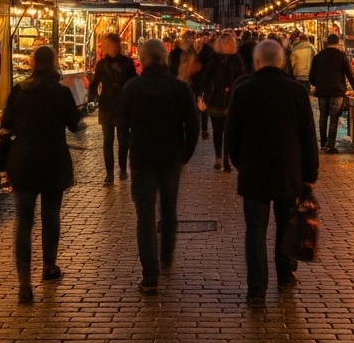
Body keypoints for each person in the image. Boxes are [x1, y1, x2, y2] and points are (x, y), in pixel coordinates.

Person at [225, 40, 320, 305]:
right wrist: (310, 172)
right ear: (282, 61)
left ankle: (257, 288)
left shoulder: (243, 91)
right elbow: (308, 137)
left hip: (254, 172)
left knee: (255, 230)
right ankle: (285, 274)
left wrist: (241, 163)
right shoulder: (296, 92)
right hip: (289, 172)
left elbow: (231, 136)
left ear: (257, 62)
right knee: (286, 226)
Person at [2, 46, 85, 304]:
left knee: (24, 221)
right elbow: (75, 125)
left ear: (32, 63)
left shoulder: (18, 91)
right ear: (54, 63)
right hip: (53, 160)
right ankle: (49, 265)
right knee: (51, 215)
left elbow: (6, 124)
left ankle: (24, 281)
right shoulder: (62, 93)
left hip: (23, 161)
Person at [118, 38, 199, 293]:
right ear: (164, 58)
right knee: (169, 208)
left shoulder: (133, 87)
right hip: (170, 156)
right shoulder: (179, 87)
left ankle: (150, 275)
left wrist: (129, 146)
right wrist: (185, 154)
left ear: (143, 58)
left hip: (142, 157)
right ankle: (166, 256)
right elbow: (193, 124)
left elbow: (121, 122)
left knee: (145, 215)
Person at [89, 33, 138, 186]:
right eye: (104, 45)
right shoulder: (101, 64)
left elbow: (133, 83)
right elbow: (96, 82)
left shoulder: (127, 63)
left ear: (116, 45)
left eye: (107, 45)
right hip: (106, 105)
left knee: (123, 139)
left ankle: (123, 168)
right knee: (107, 140)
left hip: (123, 104)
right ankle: (109, 173)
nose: (105, 48)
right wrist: (92, 97)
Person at [202, 33, 247, 172]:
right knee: (219, 131)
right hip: (219, 100)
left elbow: (241, 79)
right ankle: (220, 158)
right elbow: (206, 79)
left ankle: (224, 159)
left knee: (224, 131)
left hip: (228, 100)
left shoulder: (233, 60)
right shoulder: (216, 60)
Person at [309, 34, 354, 152]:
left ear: (327, 42)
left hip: (322, 92)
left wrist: (317, 83)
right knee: (334, 116)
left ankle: (322, 143)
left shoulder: (318, 57)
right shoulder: (341, 56)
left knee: (323, 116)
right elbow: (350, 74)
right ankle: (331, 145)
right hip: (337, 92)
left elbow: (311, 77)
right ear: (337, 43)